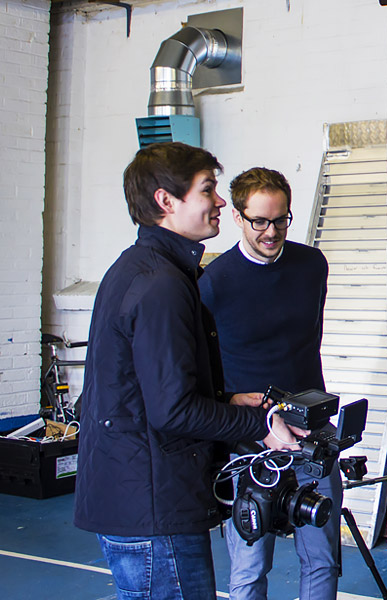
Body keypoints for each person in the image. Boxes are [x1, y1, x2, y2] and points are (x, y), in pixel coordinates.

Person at [74, 142, 303, 599]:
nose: (220, 201)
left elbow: (149, 390)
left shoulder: (138, 268)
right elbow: (173, 412)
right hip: (154, 505)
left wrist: (226, 402)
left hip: (134, 494)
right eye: (209, 190)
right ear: (166, 201)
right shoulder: (162, 285)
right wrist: (260, 423)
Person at [199, 167, 338, 600]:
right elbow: (202, 367)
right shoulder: (213, 283)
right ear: (238, 216)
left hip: (312, 431)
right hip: (252, 440)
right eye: (260, 221)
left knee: (323, 560)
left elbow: (307, 339)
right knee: (250, 566)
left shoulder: (311, 265)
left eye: (280, 220)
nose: (271, 231)